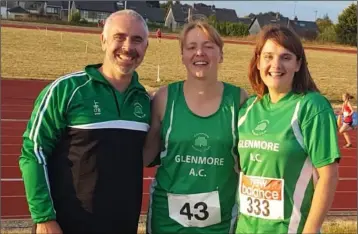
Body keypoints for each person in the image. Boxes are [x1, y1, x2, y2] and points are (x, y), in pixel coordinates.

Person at [19, 9, 151, 234]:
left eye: (137, 40)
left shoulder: (146, 101)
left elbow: (155, 154)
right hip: (66, 225)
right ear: (103, 41)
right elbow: (33, 152)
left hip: (122, 225)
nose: (128, 47)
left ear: (146, 47)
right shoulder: (66, 90)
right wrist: (44, 218)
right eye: (119, 37)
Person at [143, 19, 248, 234]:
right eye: (191, 47)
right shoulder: (164, 98)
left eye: (208, 46)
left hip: (220, 220)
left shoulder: (238, 100)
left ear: (221, 54)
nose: (199, 53)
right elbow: (145, 156)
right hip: (167, 219)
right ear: (182, 56)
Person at [236, 25, 340, 234]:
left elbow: (328, 176)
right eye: (268, 56)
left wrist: (311, 230)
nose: (276, 64)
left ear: (298, 64)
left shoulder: (312, 107)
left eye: (285, 57)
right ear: (257, 62)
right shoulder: (249, 108)